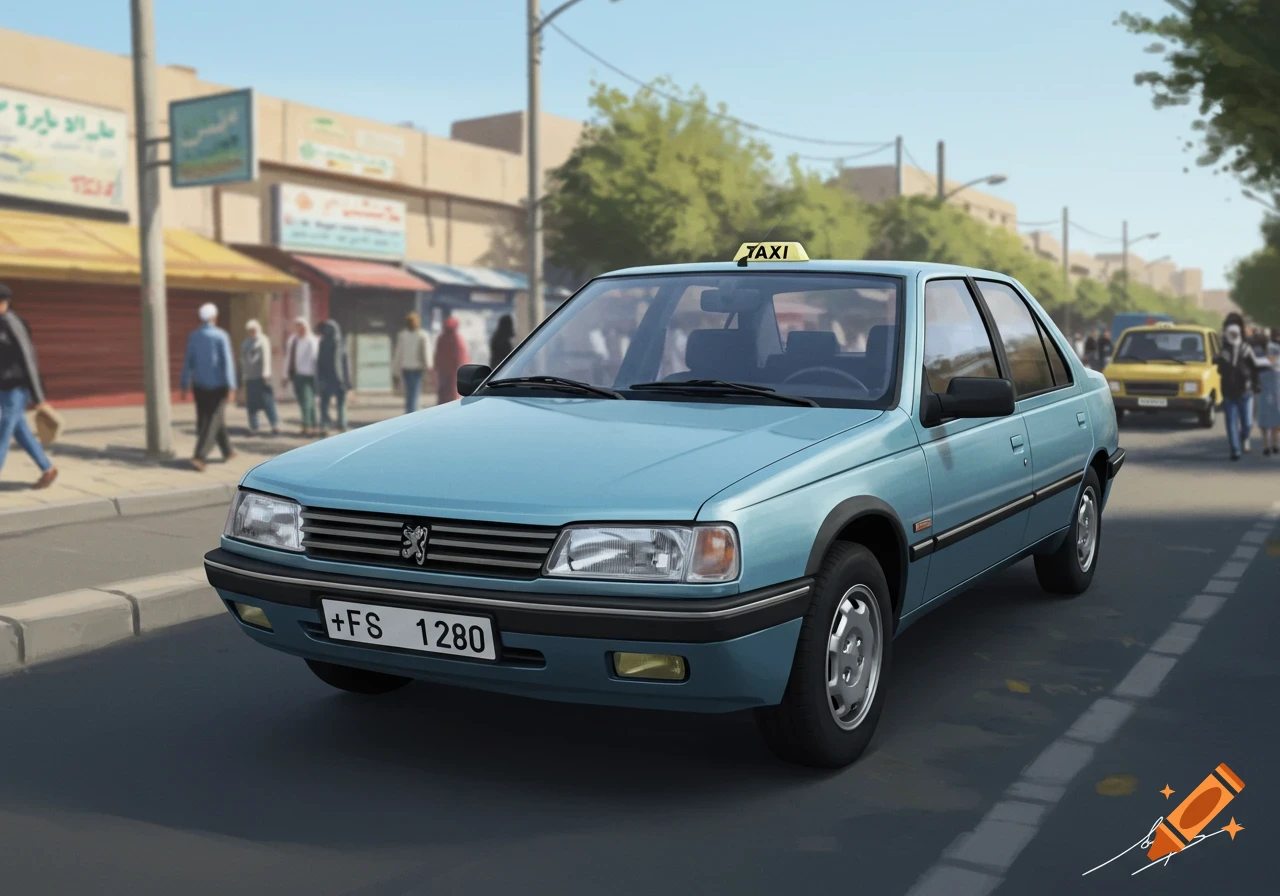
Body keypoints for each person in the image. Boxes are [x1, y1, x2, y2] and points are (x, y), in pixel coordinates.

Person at [0, 282, 58, 488]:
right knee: (20, 431)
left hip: (17, 388)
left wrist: (38, 397)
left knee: (3, 431)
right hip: (3, 387)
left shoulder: (13, 323)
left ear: (5, 302)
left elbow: (28, 358)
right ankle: (48, 469)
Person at [180, 302, 236, 472]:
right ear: (214, 317)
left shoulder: (194, 336)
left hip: (199, 386)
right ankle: (199, 456)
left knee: (209, 419)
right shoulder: (221, 336)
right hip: (218, 386)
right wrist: (231, 386)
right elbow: (227, 362)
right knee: (213, 421)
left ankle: (228, 451)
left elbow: (188, 362)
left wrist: (184, 384)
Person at [1215, 321, 1261, 462]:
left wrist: (1257, 383)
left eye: (1235, 333)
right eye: (1231, 334)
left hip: (1245, 392)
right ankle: (1235, 450)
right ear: (1227, 335)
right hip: (1229, 393)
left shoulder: (1246, 349)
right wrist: (1221, 361)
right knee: (1231, 423)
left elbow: (1255, 367)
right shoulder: (1224, 352)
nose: (1233, 336)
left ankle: (1243, 437)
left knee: (1248, 424)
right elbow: (1219, 370)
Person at [240, 320, 279, 435]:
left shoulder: (263, 340)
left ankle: (274, 425)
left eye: (254, 329)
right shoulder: (246, 342)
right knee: (251, 403)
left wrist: (266, 374)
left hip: (262, 377)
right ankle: (254, 427)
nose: (252, 332)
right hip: (250, 377)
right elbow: (243, 359)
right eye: (250, 330)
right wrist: (243, 374)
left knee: (267, 401)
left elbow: (266, 357)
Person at [316, 320, 352, 437]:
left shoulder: (327, 343)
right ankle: (331, 425)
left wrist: (348, 381)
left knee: (331, 404)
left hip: (334, 379)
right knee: (330, 404)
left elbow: (345, 362)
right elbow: (346, 363)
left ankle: (337, 425)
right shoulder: (330, 343)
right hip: (333, 378)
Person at [284, 317, 319, 437]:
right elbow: (288, 358)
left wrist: (317, 375)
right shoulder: (293, 340)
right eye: (298, 327)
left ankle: (307, 425)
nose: (300, 329)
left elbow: (315, 358)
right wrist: (286, 375)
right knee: (304, 401)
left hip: (309, 375)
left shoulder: (312, 340)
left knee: (307, 401)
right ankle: (313, 424)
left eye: (302, 326)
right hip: (297, 375)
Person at [392, 311, 430, 414]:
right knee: (415, 393)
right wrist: (428, 367)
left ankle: (409, 412)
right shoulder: (422, 335)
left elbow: (398, 354)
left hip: (406, 368)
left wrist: (395, 370)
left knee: (409, 394)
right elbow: (426, 353)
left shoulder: (402, 335)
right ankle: (412, 413)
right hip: (418, 368)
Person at [433, 315, 470, 404]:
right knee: (452, 395)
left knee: (443, 393)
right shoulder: (457, 339)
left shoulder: (441, 338)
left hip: (443, 371)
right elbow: (462, 357)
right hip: (454, 372)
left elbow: (437, 355)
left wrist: (436, 367)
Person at [1259, 331, 1280, 457]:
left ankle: (1273, 444)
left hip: (1273, 382)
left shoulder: (1272, 348)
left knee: (1274, 414)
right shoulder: (1264, 348)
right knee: (1268, 414)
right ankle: (1269, 445)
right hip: (1267, 382)